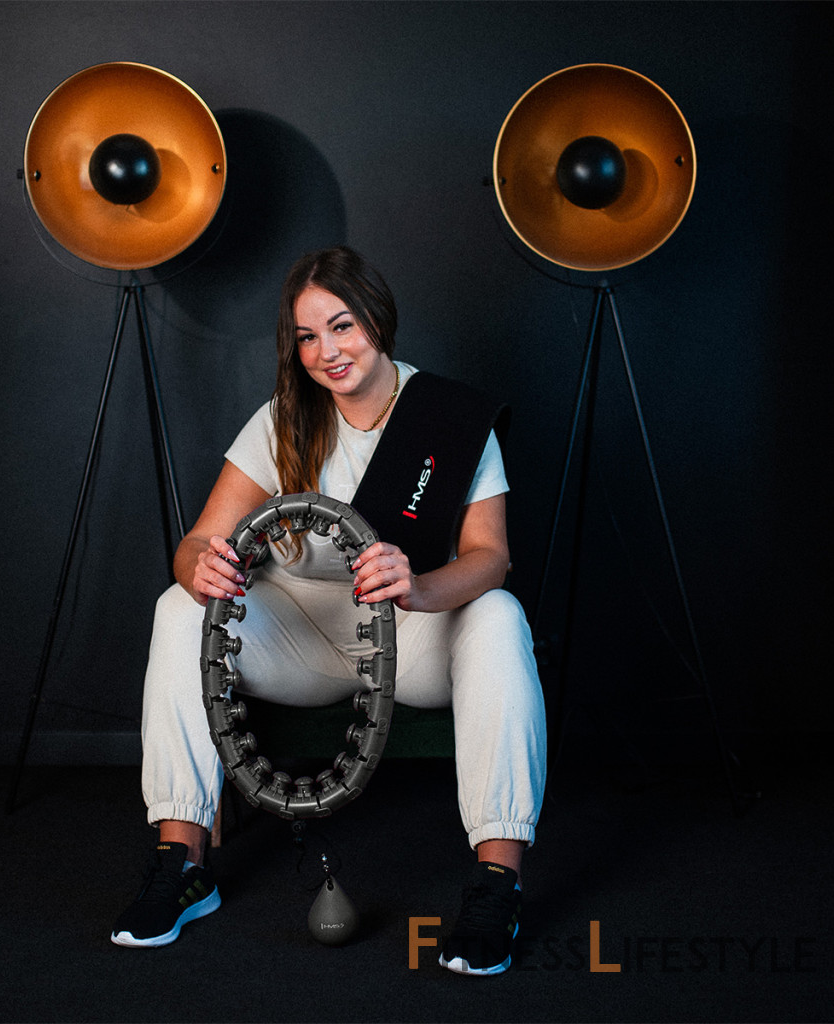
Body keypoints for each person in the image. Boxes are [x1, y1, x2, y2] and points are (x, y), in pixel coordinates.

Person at [111, 246, 547, 976]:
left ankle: (498, 882)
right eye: (307, 337)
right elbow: (194, 543)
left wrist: (418, 587)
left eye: (341, 326)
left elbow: (491, 557)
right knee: (179, 608)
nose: (327, 352)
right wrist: (199, 568)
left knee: (499, 614)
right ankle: (181, 866)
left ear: (377, 317)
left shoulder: (450, 417)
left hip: (410, 632)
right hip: (301, 637)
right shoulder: (285, 420)